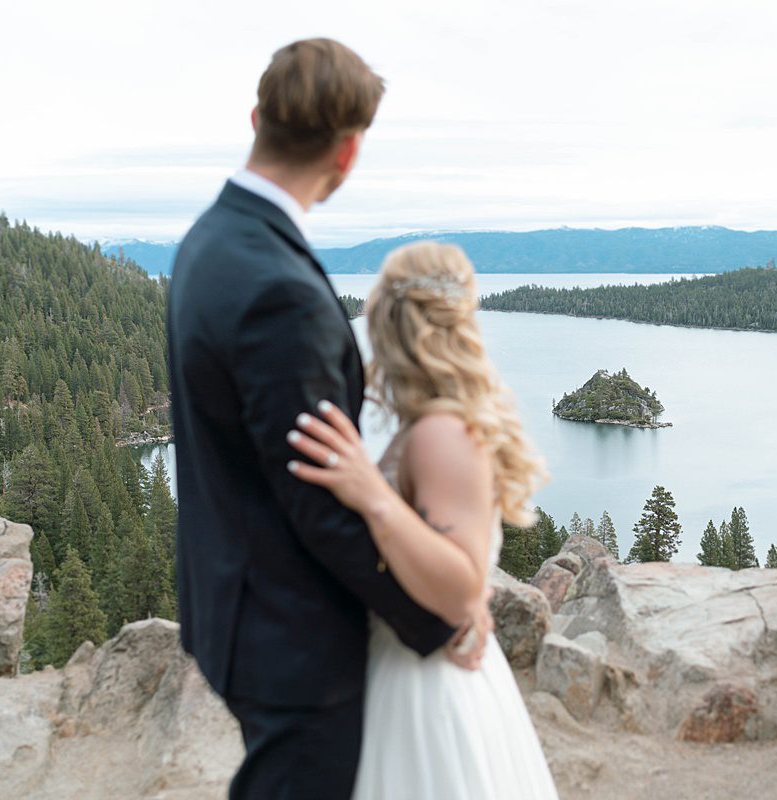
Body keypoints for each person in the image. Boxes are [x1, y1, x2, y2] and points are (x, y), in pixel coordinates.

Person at [166, 39, 490, 798]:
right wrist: (440, 619)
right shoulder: (278, 287)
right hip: (292, 637)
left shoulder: (208, 242)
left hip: (233, 608)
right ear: (348, 153)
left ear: (257, 117)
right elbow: (318, 496)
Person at [286, 240, 559, 799]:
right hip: (414, 665)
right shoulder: (432, 425)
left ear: (391, 322)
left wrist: (374, 497)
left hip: (427, 687)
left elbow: (460, 588)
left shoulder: (441, 432)